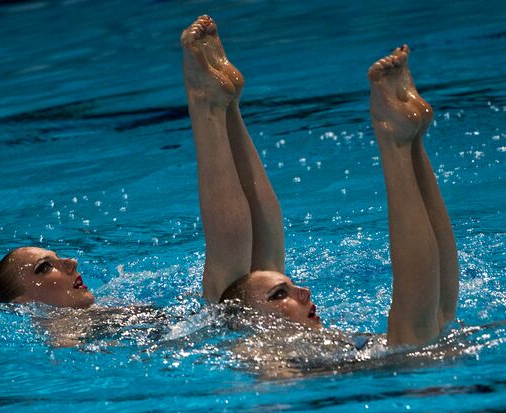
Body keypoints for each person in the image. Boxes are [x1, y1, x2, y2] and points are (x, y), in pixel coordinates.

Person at [181, 15, 459, 346]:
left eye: (285, 289)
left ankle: (405, 144)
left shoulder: (264, 344)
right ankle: (404, 143)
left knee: (231, 298)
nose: (305, 290)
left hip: (365, 359)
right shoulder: (266, 352)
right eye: (282, 294)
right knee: (433, 323)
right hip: (377, 361)